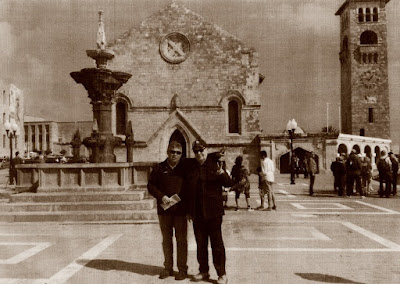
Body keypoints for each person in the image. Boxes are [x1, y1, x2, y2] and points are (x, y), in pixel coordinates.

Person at [188, 140, 232, 284]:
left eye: (201, 150)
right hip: (198, 213)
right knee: (200, 244)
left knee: (217, 244)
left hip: (213, 213)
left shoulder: (215, 164)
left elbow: (228, 183)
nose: (199, 154)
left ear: (206, 150)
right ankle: (203, 271)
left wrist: (221, 173)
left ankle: (222, 273)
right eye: (196, 151)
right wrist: (190, 211)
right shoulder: (192, 167)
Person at [147, 141, 189, 281]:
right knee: (166, 240)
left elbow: (189, 188)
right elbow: (151, 185)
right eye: (172, 152)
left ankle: (182, 269)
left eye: (178, 152)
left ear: (181, 154)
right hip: (164, 211)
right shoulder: (159, 168)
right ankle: (168, 268)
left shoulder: (184, 169)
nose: (175, 155)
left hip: (180, 212)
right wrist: (161, 197)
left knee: (181, 240)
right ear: (167, 152)